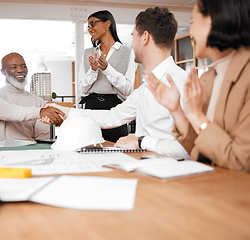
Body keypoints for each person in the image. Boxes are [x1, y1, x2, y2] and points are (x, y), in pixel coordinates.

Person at [45, 7, 190, 159]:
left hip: (169, 173)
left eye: (133, 37)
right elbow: (112, 117)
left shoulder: (181, 83)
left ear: (145, 37)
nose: (132, 44)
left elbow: (189, 148)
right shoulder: (145, 88)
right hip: (146, 167)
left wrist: (141, 142)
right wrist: (64, 111)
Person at [145, 0, 250, 172]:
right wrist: (176, 109)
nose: (190, 31)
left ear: (214, 20)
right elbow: (199, 147)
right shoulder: (208, 77)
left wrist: (196, 116)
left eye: (193, 21)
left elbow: (241, 162)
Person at [78, 10, 137, 142]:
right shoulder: (88, 53)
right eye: (88, 26)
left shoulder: (128, 53)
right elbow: (82, 89)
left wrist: (107, 69)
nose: (90, 29)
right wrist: (93, 71)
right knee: (89, 152)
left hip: (115, 109)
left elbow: (128, 89)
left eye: (92, 24)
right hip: (91, 109)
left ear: (107, 24)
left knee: (118, 153)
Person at [0, 52, 65, 141]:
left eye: (23, 66)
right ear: (3, 72)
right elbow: (9, 111)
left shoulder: (38, 102)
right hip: (1, 153)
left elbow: (43, 138)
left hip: (29, 152)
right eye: (14, 67)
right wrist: (39, 112)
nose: (20, 70)